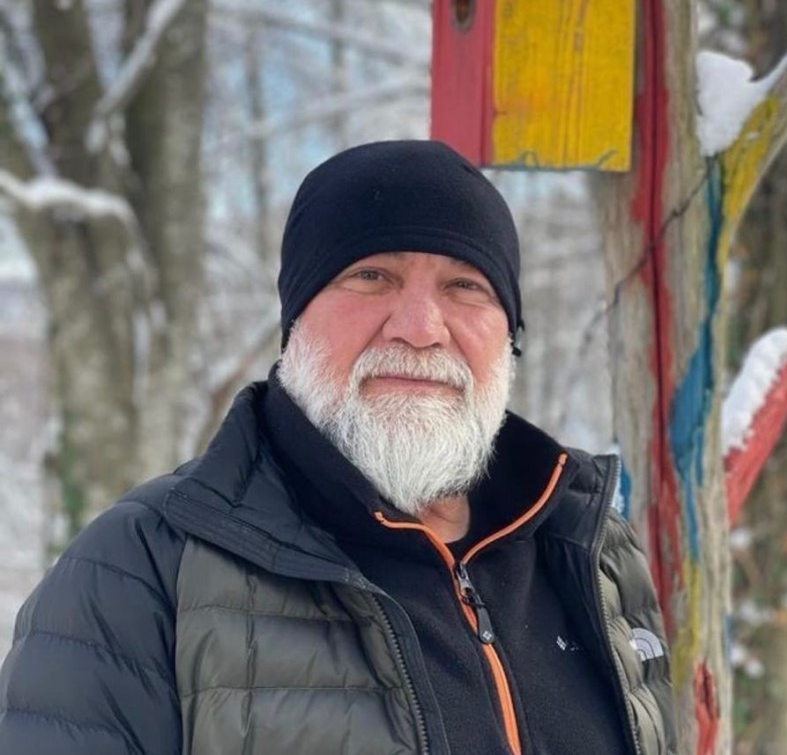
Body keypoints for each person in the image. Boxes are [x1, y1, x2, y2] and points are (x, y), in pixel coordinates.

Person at [0, 140, 675, 755]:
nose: (419, 328)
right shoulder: (144, 566)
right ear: (297, 321)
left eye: (464, 285)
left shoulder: (593, 554)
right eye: (372, 275)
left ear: (508, 335)